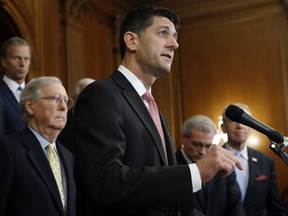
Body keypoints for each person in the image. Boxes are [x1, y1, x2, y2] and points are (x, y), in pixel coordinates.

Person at [65, 6, 242, 216]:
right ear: (132, 41)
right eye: (163, 33)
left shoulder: (152, 107)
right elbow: (105, 182)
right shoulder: (101, 95)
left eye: (175, 36)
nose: (174, 44)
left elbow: (166, 198)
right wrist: (195, 172)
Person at [0, 76, 76, 216]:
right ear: (30, 107)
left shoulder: (68, 156)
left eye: (66, 100)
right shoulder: (8, 150)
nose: (63, 107)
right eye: (54, 98)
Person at [221, 102, 288, 216]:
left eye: (244, 122)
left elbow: (275, 208)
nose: (240, 126)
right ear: (223, 128)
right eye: (233, 121)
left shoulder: (266, 162)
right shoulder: (211, 160)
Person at [176, 115, 245, 216]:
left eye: (208, 146)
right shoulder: (169, 165)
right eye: (196, 145)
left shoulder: (222, 165)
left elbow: (235, 207)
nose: (203, 152)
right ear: (183, 138)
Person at [0, 37, 31, 136]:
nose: (22, 64)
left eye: (26, 59)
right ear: (4, 62)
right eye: (17, 58)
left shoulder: (36, 94)